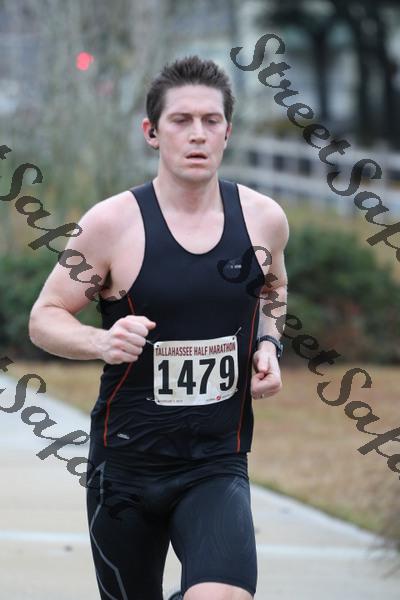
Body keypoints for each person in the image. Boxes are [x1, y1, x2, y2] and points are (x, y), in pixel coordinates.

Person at [29, 55, 289, 600]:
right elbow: (45, 317)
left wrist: (268, 342)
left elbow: (273, 289)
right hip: (125, 468)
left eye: (211, 121)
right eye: (181, 120)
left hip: (216, 461)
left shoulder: (264, 219)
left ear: (227, 132)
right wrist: (102, 340)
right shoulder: (110, 224)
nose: (198, 134)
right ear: (151, 132)